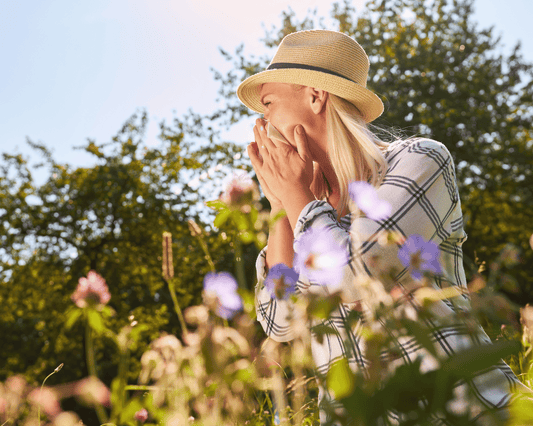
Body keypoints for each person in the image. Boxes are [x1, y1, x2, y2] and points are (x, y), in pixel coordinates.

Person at [237, 29, 521, 425]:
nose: (262, 119)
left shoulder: (418, 161)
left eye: (268, 103)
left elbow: (361, 273)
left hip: (462, 411)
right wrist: (281, 205)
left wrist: (301, 203)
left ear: (315, 96)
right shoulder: (308, 207)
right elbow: (279, 323)